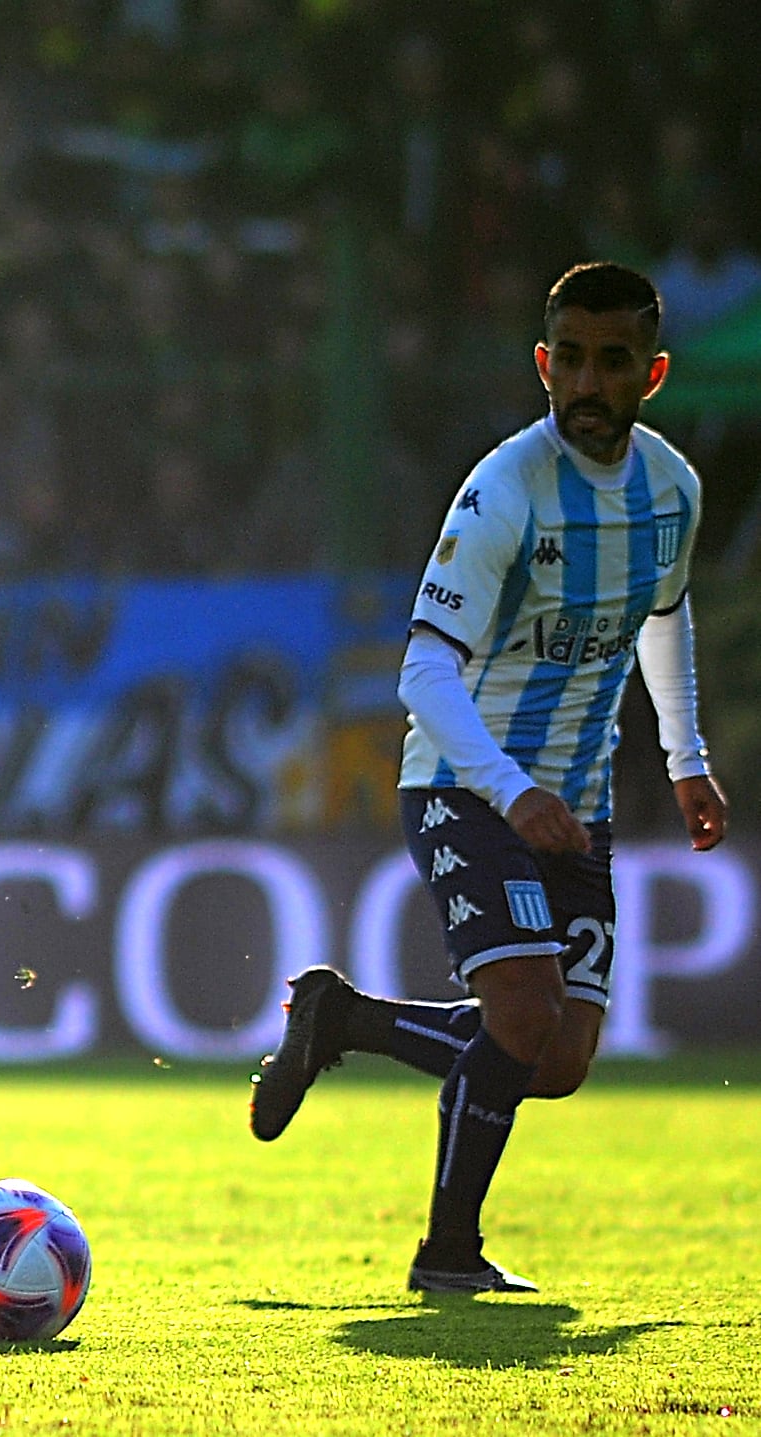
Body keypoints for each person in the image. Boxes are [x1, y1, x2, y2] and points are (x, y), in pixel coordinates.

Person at [248, 262, 728, 1293]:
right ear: (544, 364)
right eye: (575, 363)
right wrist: (511, 791)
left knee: (557, 1060)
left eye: (616, 363)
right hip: (468, 788)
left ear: (652, 372)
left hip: (577, 804)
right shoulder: (505, 488)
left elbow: (664, 615)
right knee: (520, 1019)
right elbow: (422, 668)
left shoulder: (671, 489)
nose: (591, 385)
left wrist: (684, 760)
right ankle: (447, 1254)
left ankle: (346, 1021)